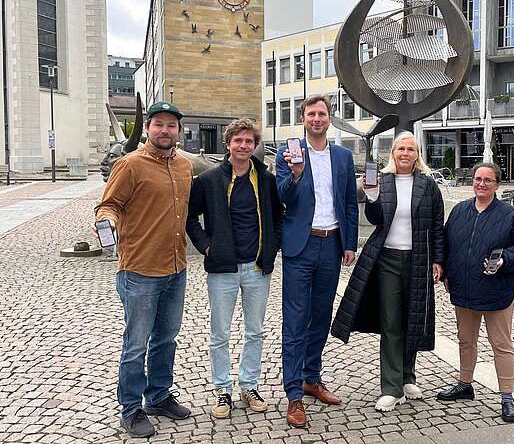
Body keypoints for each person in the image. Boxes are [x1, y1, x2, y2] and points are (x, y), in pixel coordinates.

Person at [94, 101, 193, 438]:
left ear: (179, 131)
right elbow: (110, 205)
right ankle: (131, 408)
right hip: (140, 269)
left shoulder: (182, 165)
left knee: (166, 338)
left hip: (176, 267)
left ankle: (159, 396)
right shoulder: (130, 165)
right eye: (159, 124)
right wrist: (107, 221)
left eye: (171, 125)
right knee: (136, 344)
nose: (165, 131)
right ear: (149, 128)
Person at [331, 131, 445, 412]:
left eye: (410, 149)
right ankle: (392, 387)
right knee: (391, 322)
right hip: (387, 261)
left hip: (418, 259)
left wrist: (439, 260)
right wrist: (371, 198)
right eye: (400, 149)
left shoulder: (428, 185)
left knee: (412, 318)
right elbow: (375, 220)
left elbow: (438, 225)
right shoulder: (384, 181)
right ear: (392, 153)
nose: (405, 154)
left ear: (417, 154)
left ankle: (407, 376)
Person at [186, 118, 283, 419]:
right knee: (220, 333)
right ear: (228, 143)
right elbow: (190, 219)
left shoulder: (266, 180)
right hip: (223, 268)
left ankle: (249, 384)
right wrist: (207, 247)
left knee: (255, 331)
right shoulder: (209, 180)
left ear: (255, 146)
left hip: (256, 267)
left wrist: (272, 246)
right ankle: (222, 389)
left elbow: (278, 216)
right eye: (238, 141)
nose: (243, 146)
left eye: (249, 142)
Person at [275, 94, 358, 428]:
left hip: (331, 244)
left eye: (322, 113)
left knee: (321, 316)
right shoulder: (290, 153)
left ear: (330, 118)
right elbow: (283, 197)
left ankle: (312, 378)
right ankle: (294, 394)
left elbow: (349, 202)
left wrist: (349, 243)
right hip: (301, 245)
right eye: (311, 114)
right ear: (303, 118)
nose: (317, 119)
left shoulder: (343, 156)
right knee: (296, 320)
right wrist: (294, 175)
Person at [437, 162, 514, 423]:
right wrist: (447, 273)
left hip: (498, 291)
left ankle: (506, 396)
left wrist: (505, 259)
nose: (482, 184)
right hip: (465, 290)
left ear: (497, 185)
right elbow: (447, 245)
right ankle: (465, 384)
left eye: (488, 180)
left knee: (501, 345)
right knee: (465, 340)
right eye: (478, 179)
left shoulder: (509, 215)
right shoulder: (459, 211)